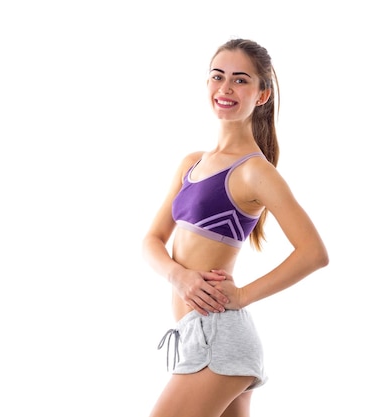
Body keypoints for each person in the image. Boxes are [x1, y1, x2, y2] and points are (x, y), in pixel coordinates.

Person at [141, 38, 329, 417]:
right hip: (199, 336)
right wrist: (178, 276)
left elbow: (314, 253)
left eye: (240, 80)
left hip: (219, 339)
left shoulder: (255, 172)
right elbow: (151, 240)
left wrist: (241, 296)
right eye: (217, 76)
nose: (225, 88)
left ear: (262, 95)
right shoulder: (191, 164)